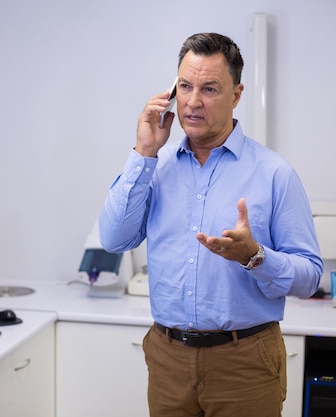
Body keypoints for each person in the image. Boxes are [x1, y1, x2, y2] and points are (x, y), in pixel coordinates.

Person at [98, 32, 323, 417]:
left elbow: (310, 278)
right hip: (168, 358)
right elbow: (114, 239)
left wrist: (255, 257)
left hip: (244, 362)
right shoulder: (154, 166)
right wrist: (144, 151)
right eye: (184, 86)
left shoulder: (274, 174)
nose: (193, 101)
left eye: (210, 89)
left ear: (236, 95)